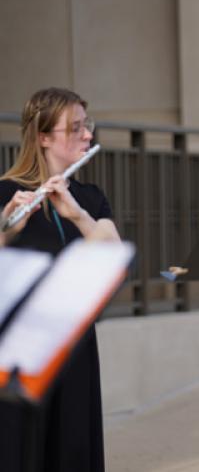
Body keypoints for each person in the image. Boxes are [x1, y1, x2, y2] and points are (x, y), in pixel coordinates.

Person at [0, 87, 119, 472]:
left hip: (74, 345)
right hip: (20, 349)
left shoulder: (89, 197)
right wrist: (6, 228)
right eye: (76, 128)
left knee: (72, 448)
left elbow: (113, 255)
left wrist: (77, 215)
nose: (88, 135)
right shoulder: (6, 192)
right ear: (44, 137)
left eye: (88, 126)